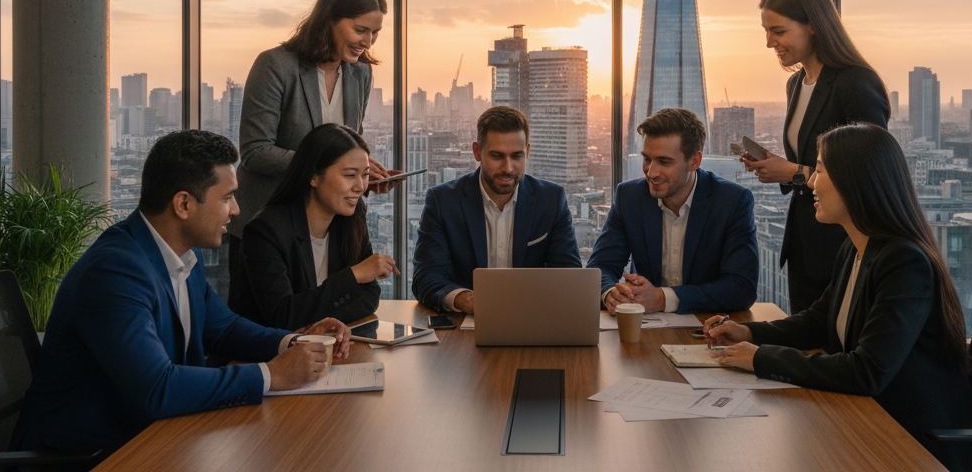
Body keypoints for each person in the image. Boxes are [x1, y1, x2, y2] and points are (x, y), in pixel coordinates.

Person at [12, 130, 352, 462]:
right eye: (226, 197)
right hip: (90, 453)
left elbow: (226, 328)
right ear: (184, 204)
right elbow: (157, 387)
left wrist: (296, 342)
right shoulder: (115, 272)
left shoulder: (182, 254)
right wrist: (273, 375)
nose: (235, 210)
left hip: (156, 436)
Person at [705, 122, 972, 472]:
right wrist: (750, 333)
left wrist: (761, 357)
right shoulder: (856, 248)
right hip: (871, 418)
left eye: (820, 170)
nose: (809, 182)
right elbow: (820, 321)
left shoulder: (904, 262)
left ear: (856, 182)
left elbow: (867, 370)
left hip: (914, 443)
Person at [232, 0, 399, 304]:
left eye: (375, 33)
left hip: (328, 227)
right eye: (360, 30)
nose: (368, 42)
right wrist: (328, 168)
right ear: (331, 20)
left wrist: (364, 174)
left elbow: (348, 144)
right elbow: (255, 152)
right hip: (270, 226)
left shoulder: (360, 73)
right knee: (273, 326)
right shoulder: (276, 65)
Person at [745, 0, 889, 313]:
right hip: (805, 245)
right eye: (766, 32)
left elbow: (869, 175)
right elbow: (812, 160)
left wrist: (793, 172)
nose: (769, 43)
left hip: (845, 246)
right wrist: (776, 167)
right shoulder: (796, 83)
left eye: (778, 32)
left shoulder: (855, 83)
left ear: (812, 25)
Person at [587, 107, 759, 314]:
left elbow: (741, 288)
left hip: (708, 329)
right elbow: (600, 268)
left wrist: (662, 299)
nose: (651, 172)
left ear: (694, 161)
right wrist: (609, 295)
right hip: (644, 330)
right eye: (647, 159)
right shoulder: (629, 197)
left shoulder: (732, 201)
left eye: (664, 162)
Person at [412, 105, 582, 313]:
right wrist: (466, 300)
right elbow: (426, 278)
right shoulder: (443, 201)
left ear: (527, 152)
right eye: (497, 156)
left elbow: (568, 274)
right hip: (466, 326)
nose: (508, 168)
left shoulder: (551, 199)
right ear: (477, 152)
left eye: (517, 156)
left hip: (534, 318)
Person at [230, 124, 398, 328]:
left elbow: (369, 297)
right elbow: (283, 316)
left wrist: (320, 321)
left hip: (332, 346)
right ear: (313, 176)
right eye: (349, 175)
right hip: (275, 355)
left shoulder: (352, 215)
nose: (360, 187)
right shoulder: (266, 231)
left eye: (364, 174)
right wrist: (354, 276)